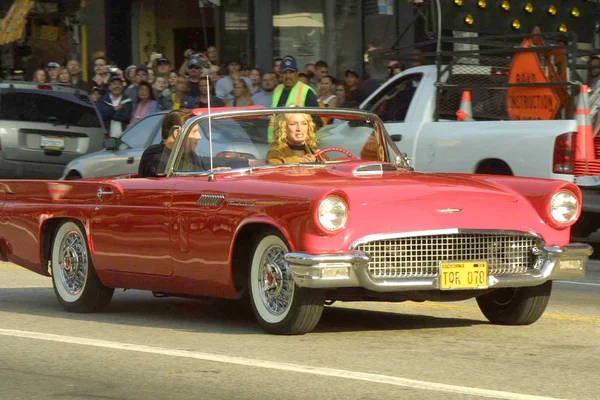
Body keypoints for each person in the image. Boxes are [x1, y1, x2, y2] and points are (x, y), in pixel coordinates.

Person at [138, 110, 253, 178]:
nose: (199, 137)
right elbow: (165, 177)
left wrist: (250, 162)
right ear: (178, 133)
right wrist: (204, 174)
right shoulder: (153, 155)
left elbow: (209, 161)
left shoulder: (188, 155)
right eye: (194, 132)